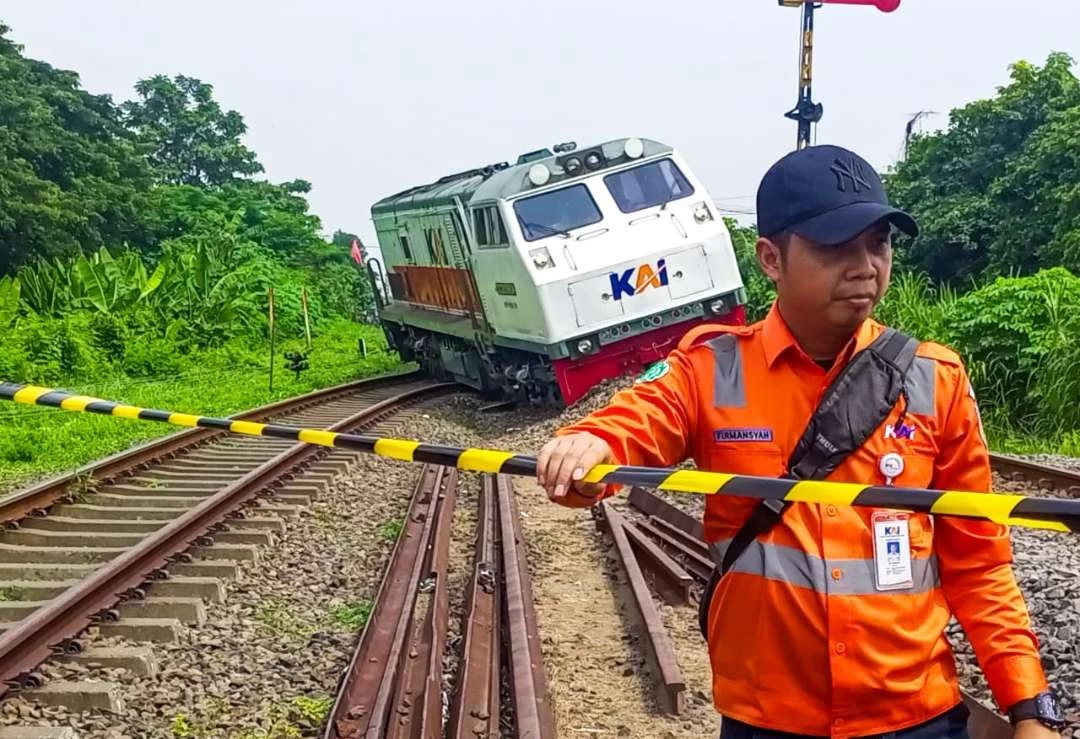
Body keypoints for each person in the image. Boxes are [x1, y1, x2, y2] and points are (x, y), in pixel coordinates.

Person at [536, 145, 1066, 739]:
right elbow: (635, 420)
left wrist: (1028, 707)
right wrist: (588, 446)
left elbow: (979, 561)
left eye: (879, 243)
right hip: (768, 721)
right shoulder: (711, 370)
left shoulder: (933, 380)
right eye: (837, 247)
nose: (866, 266)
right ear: (771, 258)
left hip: (916, 719)